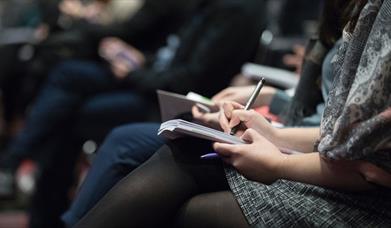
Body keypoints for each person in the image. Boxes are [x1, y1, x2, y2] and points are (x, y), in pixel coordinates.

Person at [74, 0, 391, 227]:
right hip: (318, 150)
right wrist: (274, 131)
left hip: (360, 200)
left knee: (177, 189)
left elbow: (366, 163)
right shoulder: (359, 12)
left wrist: (280, 160)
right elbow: (341, 132)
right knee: (173, 149)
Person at [0, 0, 266, 227]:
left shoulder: (235, 9)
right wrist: (140, 61)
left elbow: (190, 80)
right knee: (67, 77)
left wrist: (135, 73)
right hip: (154, 80)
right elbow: (171, 56)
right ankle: (30, 187)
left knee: (84, 119)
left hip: (177, 103)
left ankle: (51, 206)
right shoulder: (210, 5)